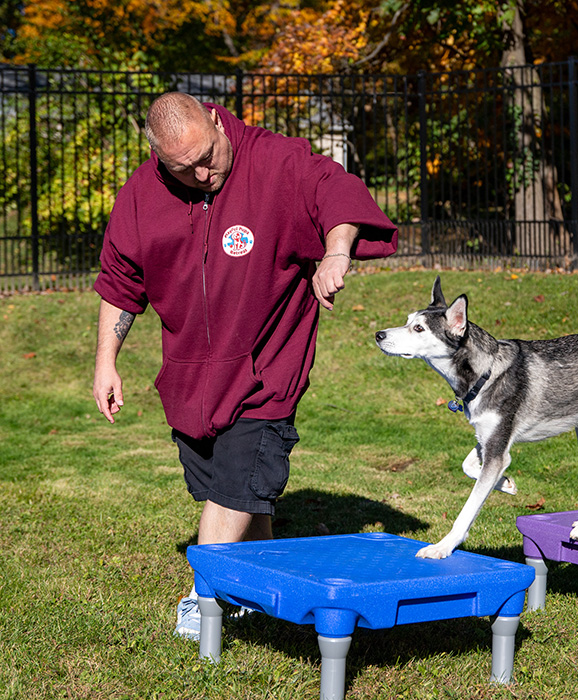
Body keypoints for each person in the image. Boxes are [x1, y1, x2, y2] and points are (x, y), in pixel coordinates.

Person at [92, 92, 397, 639]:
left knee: (236, 483)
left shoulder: (275, 162)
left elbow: (338, 193)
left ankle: (202, 599)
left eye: (207, 156)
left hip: (265, 369)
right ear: (159, 158)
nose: (202, 173)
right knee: (231, 491)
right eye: (182, 169)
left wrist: (335, 251)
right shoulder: (142, 193)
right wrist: (106, 361)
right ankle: (265, 586)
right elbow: (120, 278)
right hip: (190, 375)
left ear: (215, 120)